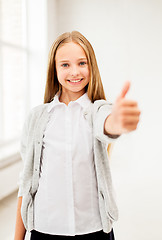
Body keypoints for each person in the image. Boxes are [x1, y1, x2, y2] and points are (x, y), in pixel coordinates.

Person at [14, 31, 140, 240]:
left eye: (82, 63)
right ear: (54, 70)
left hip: (94, 230)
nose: (75, 72)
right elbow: (25, 183)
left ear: (92, 66)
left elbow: (108, 124)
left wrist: (118, 121)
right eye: (65, 65)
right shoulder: (37, 118)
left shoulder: (98, 111)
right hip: (45, 229)